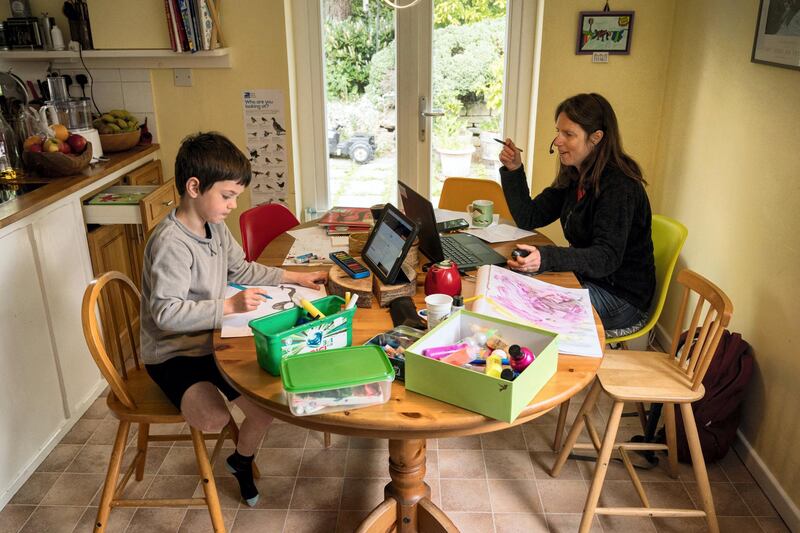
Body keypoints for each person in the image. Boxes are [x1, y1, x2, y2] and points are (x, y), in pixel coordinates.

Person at [140, 132, 328, 506]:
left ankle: (241, 462)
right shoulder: (170, 244)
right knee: (212, 418)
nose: (232, 205)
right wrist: (227, 307)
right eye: (227, 196)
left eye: (235, 197)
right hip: (173, 355)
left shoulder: (214, 227)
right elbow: (165, 313)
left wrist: (295, 277)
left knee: (266, 408)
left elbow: (241, 268)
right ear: (194, 187)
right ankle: (231, 443)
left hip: (212, 341)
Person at [499, 93, 655, 338]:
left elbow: (606, 258)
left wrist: (547, 258)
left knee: (532, 312)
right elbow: (529, 216)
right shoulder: (576, 175)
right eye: (558, 131)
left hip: (622, 298)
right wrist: (514, 170)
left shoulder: (620, 186)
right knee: (517, 289)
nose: (557, 140)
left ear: (596, 138)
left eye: (568, 134)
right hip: (590, 279)